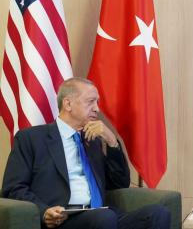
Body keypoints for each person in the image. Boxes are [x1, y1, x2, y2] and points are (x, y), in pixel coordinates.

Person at [2, 77, 170, 229]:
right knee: (104, 217)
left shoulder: (92, 140)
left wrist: (111, 142)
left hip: (102, 214)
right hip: (63, 218)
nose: (97, 109)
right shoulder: (31, 138)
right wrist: (44, 211)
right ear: (68, 104)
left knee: (158, 213)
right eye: (91, 102)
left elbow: (119, 183)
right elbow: (13, 188)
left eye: (97, 102)